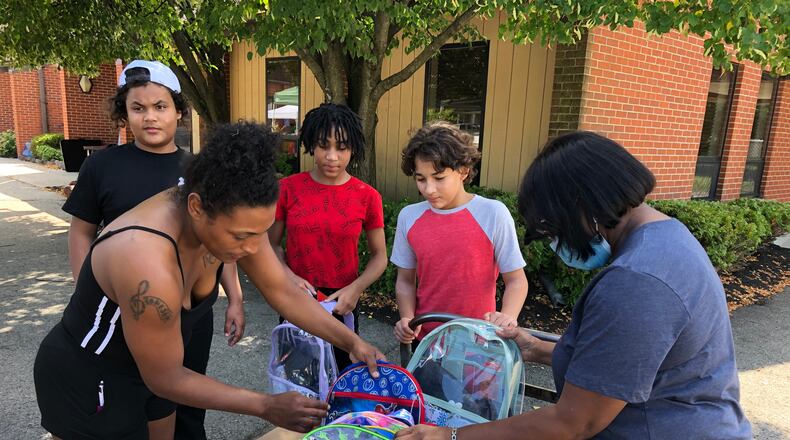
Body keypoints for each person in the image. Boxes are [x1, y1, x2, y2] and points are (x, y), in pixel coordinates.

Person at [35, 122, 384, 440]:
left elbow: (281, 290)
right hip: (91, 378)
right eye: (241, 237)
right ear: (197, 207)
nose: (251, 248)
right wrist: (266, 405)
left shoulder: (237, 211)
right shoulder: (145, 261)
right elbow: (166, 378)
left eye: (259, 234)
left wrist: (351, 342)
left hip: (153, 370)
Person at [396, 131, 751, 439]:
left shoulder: (636, 284)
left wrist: (451, 435)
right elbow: (619, 363)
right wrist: (537, 348)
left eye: (552, 228)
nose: (555, 242)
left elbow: (573, 422)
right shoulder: (667, 238)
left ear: (582, 206)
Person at [61, 59, 245, 439]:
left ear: (178, 110)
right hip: (132, 308)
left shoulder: (200, 169)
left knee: (189, 400)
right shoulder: (103, 167)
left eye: (160, 107)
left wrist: (236, 298)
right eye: (138, 108)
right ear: (124, 113)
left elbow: (220, 239)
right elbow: (81, 233)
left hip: (192, 313)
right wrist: (87, 289)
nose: (150, 118)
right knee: (134, 397)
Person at [268, 103, 387, 371]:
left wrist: (356, 289)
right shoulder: (287, 189)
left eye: (342, 147)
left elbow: (380, 256)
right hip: (296, 299)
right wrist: (290, 277)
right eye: (323, 146)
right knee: (299, 384)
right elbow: (271, 245)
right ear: (311, 144)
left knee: (343, 381)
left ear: (353, 148)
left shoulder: (367, 196)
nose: (332, 156)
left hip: (343, 303)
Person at [390, 121, 529, 346]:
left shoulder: (492, 213)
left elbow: (516, 281)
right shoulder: (409, 216)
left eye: (439, 177)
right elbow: (405, 281)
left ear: (463, 171)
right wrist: (407, 318)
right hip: (426, 341)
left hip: (480, 342)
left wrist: (508, 316)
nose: (429, 189)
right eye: (421, 179)